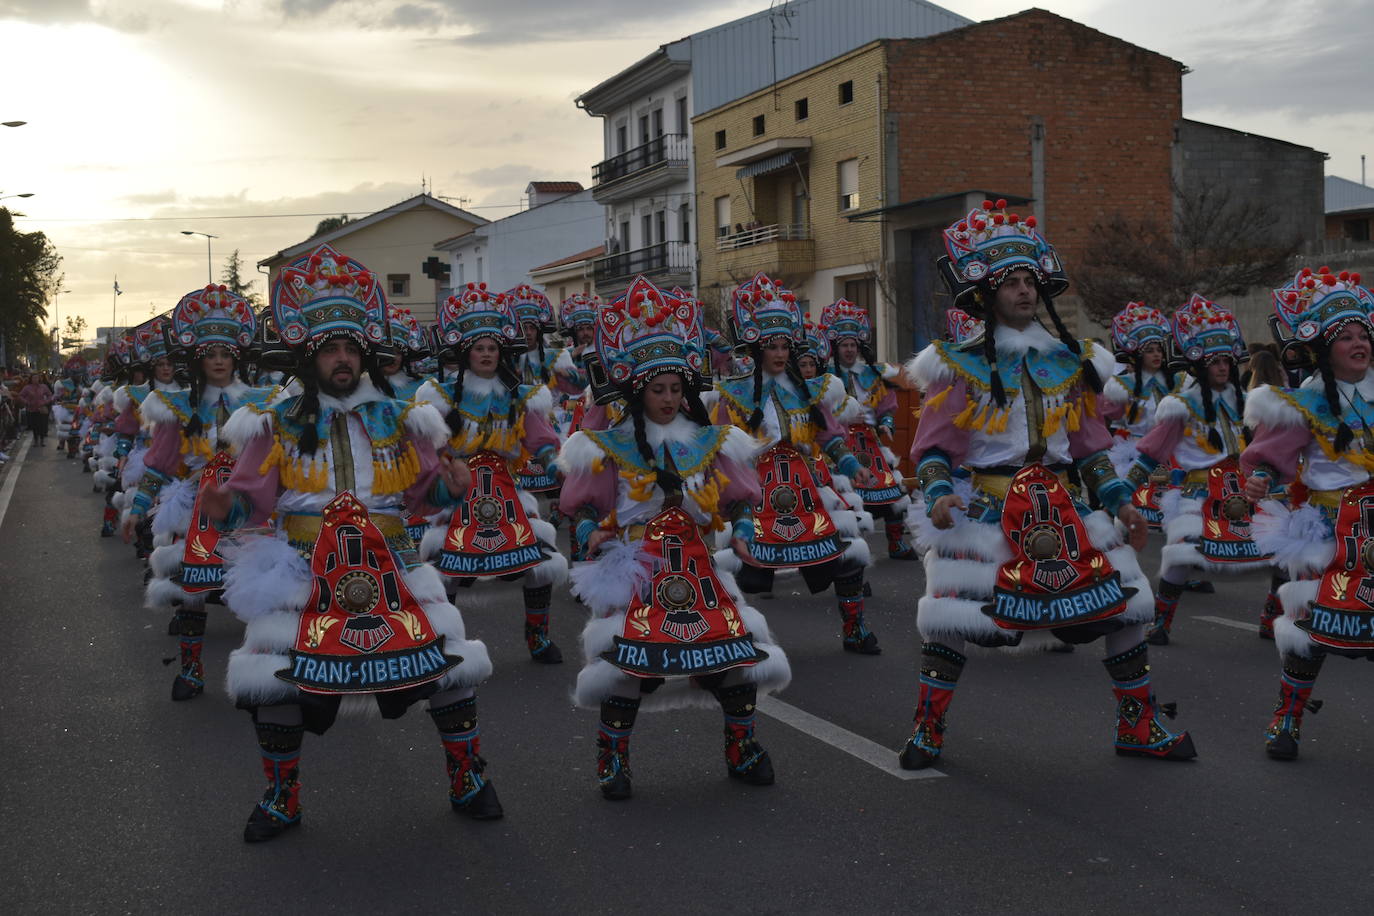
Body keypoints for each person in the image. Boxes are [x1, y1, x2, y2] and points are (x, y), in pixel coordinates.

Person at [202, 243, 501, 840]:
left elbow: (422, 499)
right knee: (275, 672)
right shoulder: (273, 421)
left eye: (350, 349)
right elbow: (248, 501)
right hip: (302, 566)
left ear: (364, 354)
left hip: (394, 560)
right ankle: (281, 797)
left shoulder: (403, 416)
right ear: (309, 358)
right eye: (330, 350)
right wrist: (221, 506)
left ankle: (468, 779)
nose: (342, 360)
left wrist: (452, 489)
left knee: (446, 661)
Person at [900, 200, 1191, 768]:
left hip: (1064, 507)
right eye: (1010, 281)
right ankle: (927, 728)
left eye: (1029, 279)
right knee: (953, 618)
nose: (1024, 291)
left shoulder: (1072, 361)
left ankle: (1137, 724)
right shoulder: (959, 365)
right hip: (988, 507)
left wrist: (1120, 502)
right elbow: (933, 447)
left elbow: (1091, 451)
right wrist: (938, 494)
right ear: (986, 293)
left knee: (1127, 607)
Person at [558, 275, 789, 799]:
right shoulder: (606, 445)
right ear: (637, 390)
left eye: (676, 388)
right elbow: (582, 509)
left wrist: (748, 534)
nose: (667, 398)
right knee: (629, 667)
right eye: (657, 389)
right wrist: (593, 534)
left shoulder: (711, 441)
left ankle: (743, 747)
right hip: (636, 565)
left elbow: (740, 500)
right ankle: (613, 760)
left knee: (733, 658)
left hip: (700, 564)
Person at [120, 285, 278, 700]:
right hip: (196, 508)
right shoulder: (178, 407)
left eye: (226, 354)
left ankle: (261, 673)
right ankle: (191, 671)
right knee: (191, 595)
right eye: (211, 355)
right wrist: (136, 509)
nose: (220, 362)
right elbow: (158, 464)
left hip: (251, 510)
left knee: (262, 593)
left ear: (237, 357)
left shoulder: (265, 404)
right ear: (199, 359)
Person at [713, 273, 883, 655]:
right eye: (771, 346)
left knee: (845, 554)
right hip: (756, 494)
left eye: (784, 346)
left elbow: (830, 436)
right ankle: (728, 636)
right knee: (736, 567)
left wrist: (853, 465)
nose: (779, 353)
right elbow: (719, 450)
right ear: (758, 349)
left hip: (805, 490)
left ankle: (855, 629)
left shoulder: (809, 390)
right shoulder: (734, 395)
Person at [1242, 266, 1374, 759]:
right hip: (1327, 527)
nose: (1359, 343)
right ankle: (1287, 718)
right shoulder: (1303, 405)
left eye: (1365, 334)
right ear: (1323, 348)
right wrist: (1262, 481)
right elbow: (1270, 463)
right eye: (1347, 337)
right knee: (1314, 629)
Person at [412, 283, 569, 663]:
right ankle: (446, 641)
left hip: (508, 491)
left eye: (492, 348)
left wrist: (557, 466)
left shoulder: (519, 396)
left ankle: (538, 638)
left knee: (541, 562)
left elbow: (542, 439)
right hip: (457, 492)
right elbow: (429, 447)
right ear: (466, 353)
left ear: (501, 353)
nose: (486, 354)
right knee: (442, 568)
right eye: (479, 348)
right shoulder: (442, 395)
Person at [1127, 295, 1273, 645]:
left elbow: (1267, 446)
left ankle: (1271, 617)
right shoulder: (1181, 405)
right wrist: (1120, 490)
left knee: (1282, 551)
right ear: (1198, 364)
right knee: (1182, 554)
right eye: (1214, 362)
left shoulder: (1247, 400)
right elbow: (1152, 452)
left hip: (1243, 488)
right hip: (1200, 492)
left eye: (1226, 360)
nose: (1223, 368)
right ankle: (1162, 622)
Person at [819, 297, 917, 559]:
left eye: (853, 345)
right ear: (835, 348)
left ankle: (896, 543)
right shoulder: (826, 379)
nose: (849, 350)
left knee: (893, 493)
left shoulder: (873, 374)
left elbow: (887, 408)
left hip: (872, 443)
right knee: (847, 499)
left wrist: (886, 425)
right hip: (840, 446)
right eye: (844, 345)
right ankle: (851, 552)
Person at [18, 372, 53, 446]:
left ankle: (42, 440)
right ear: (31, 379)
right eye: (34, 378)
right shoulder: (27, 387)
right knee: (34, 426)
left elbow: (50, 395)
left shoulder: (43, 387)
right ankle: (36, 440)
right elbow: (20, 396)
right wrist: (26, 402)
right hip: (32, 409)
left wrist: (45, 402)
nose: (35, 379)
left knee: (42, 425)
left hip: (42, 409)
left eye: (37, 378)